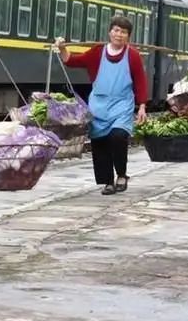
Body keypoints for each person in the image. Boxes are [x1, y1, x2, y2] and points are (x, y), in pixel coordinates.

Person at [55, 16, 148, 195]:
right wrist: (62, 48)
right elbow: (71, 61)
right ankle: (108, 182)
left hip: (121, 105)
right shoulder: (97, 52)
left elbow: (140, 81)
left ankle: (121, 174)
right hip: (99, 105)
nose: (119, 35)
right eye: (116, 30)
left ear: (128, 36)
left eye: (123, 32)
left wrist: (142, 105)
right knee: (100, 143)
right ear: (109, 32)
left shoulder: (133, 56)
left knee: (118, 136)